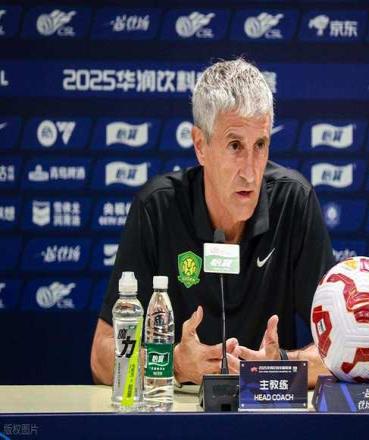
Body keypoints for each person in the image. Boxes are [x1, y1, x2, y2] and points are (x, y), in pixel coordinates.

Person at [90, 58, 334, 388]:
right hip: (178, 410)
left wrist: (280, 365)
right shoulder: (157, 208)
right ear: (200, 146)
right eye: (235, 146)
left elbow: (339, 353)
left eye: (260, 145)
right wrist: (171, 364)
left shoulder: (294, 202)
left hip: (266, 409)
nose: (250, 172)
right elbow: (102, 356)